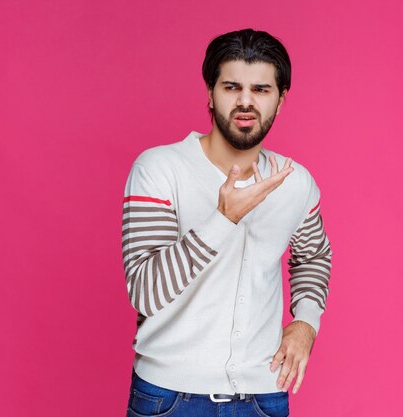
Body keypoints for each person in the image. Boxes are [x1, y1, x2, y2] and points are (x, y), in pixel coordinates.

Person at [121, 28, 333, 417]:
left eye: (261, 90)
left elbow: (313, 256)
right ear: (210, 92)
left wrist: (306, 323)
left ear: (281, 100)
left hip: (262, 397)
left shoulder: (295, 182)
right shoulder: (159, 169)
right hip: (169, 397)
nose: (246, 101)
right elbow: (146, 292)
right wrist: (223, 219)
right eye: (232, 86)